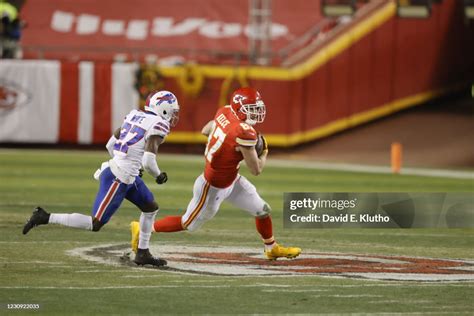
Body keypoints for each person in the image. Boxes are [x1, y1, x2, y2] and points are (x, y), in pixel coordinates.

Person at [130, 87, 301, 260]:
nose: (256, 112)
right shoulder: (243, 132)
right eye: (251, 108)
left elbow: (206, 130)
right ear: (239, 108)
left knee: (262, 210)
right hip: (211, 187)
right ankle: (143, 228)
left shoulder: (225, 111)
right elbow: (256, 169)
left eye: (257, 108)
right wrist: (264, 151)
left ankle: (271, 248)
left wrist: (225, 147)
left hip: (231, 180)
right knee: (188, 223)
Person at [22, 90, 180, 267]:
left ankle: (143, 253)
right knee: (95, 223)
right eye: (173, 110)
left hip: (127, 174)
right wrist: (159, 176)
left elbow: (110, 144)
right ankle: (44, 217)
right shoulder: (158, 124)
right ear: (163, 109)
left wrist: (125, 161)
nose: (175, 115)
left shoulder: (135, 115)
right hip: (118, 178)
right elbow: (149, 161)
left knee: (150, 207)